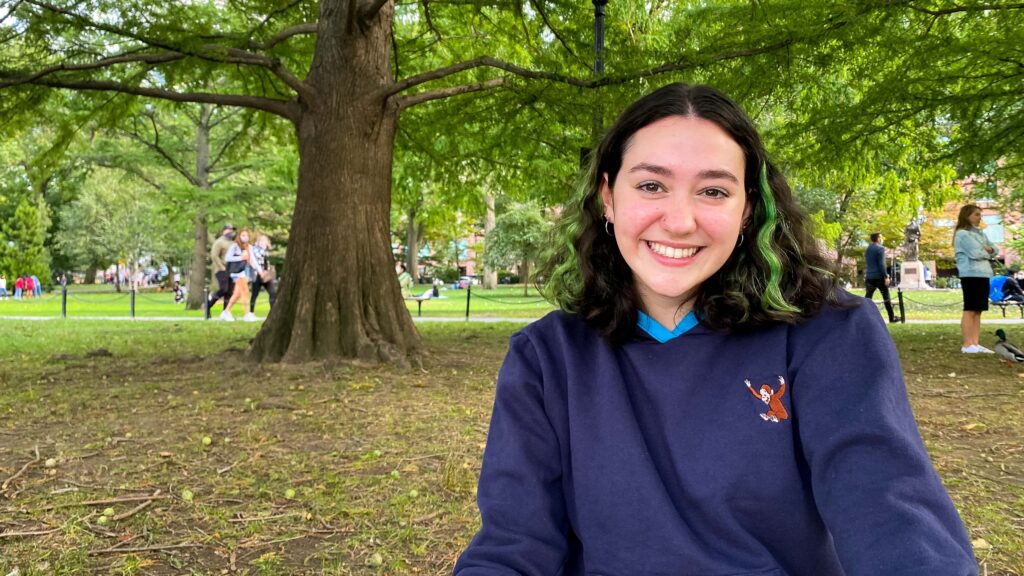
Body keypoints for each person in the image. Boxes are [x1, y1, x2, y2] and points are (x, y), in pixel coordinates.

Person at [453, 83, 976, 576]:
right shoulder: (547, 358)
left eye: (713, 191)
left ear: (748, 208)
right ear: (608, 197)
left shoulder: (830, 336)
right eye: (651, 185)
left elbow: (890, 513)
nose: (680, 221)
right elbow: (513, 546)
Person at [954, 204, 996, 354]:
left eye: (980, 214)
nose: (979, 218)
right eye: (976, 214)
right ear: (967, 216)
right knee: (970, 309)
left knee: (978, 310)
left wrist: (989, 250)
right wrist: (987, 251)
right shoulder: (962, 234)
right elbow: (975, 253)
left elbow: (994, 249)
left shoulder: (981, 234)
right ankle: (967, 344)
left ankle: (975, 343)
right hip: (970, 274)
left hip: (983, 274)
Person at [222, 228, 259, 321]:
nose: (245, 237)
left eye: (246, 235)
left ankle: (226, 312)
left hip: (246, 271)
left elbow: (252, 260)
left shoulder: (249, 247)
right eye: (243, 235)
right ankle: (247, 314)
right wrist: (240, 257)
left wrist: (259, 270)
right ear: (239, 236)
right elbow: (227, 258)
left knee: (237, 294)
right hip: (237, 272)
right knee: (245, 292)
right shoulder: (235, 246)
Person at [864, 232, 897, 322]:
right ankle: (891, 318)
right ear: (878, 239)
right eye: (881, 237)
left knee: (867, 298)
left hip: (869, 277)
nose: (881, 239)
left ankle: (863, 317)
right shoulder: (880, 249)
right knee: (886, 297)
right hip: (879, 277)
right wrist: (886, 276)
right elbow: (881, 264)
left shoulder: (868, 249)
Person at [207, 224, 235, 314]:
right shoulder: (219, 242)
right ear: (224, 231)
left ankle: (225, 312)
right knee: (224, 289)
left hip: (231, 269)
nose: (230, 231)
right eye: (228, 229)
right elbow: (214, 256)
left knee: (229, 292)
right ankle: (208, 305)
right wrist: (221, 267)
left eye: (231, 230)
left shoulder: (233, 243)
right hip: (221, 269)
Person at [249, 234, 276, 317]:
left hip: (267, 276)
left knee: (272, 292)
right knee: (255, 294)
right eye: (261, 240)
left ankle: (273, 312)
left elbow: (269, 263)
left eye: (265, 240)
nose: (263, 242)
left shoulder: (268, 252)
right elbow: (254, 262)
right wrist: (260, 271)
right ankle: (251, 312)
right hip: (257, 275)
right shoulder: (255, 250)